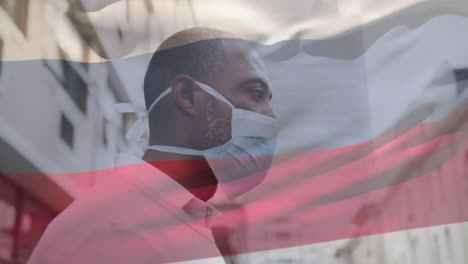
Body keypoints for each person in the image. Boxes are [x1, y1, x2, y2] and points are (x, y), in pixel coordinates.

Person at [28, 27, 277, 264]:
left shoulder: (184, 220)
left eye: (269, 100)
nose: (271, 116)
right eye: (255, 93)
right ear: (188, 95)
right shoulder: (110, 230)